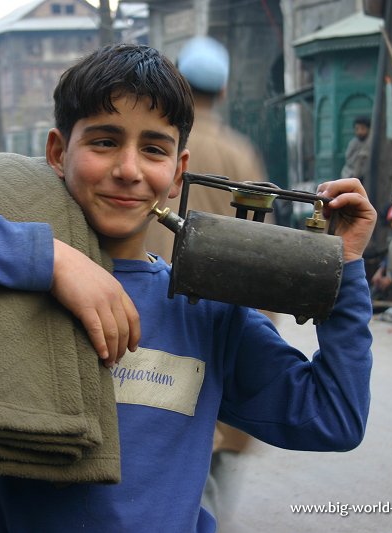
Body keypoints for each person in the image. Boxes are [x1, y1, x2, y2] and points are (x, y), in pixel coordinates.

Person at [0, 44, 376, 532]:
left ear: (179, 170)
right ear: (57, 151)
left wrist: (346, 268)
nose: (127, 169)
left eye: (154, 149)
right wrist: (51, 261)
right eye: (104, 141)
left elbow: (333, 417)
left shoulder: (202, 314)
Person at [142, 35, 270, 517]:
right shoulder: (241, 154)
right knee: (211, 476)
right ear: (225, 89)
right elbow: (265, 259)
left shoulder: (161, 146)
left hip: (153, 321)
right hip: (222, 328)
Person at [145, 36, 268, 263]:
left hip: (151, 276)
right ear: (223, 91)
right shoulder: (241, 153)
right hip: (213, 286)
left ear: (176, 83)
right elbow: (262, 234)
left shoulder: (153, 143)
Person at [340, 116, 371, 182]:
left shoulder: (370, 143)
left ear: (368, 129)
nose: (359, 132)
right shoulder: (353, 143)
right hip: (351, 173)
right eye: (357, 129)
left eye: (362, 129)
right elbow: (348, 159)